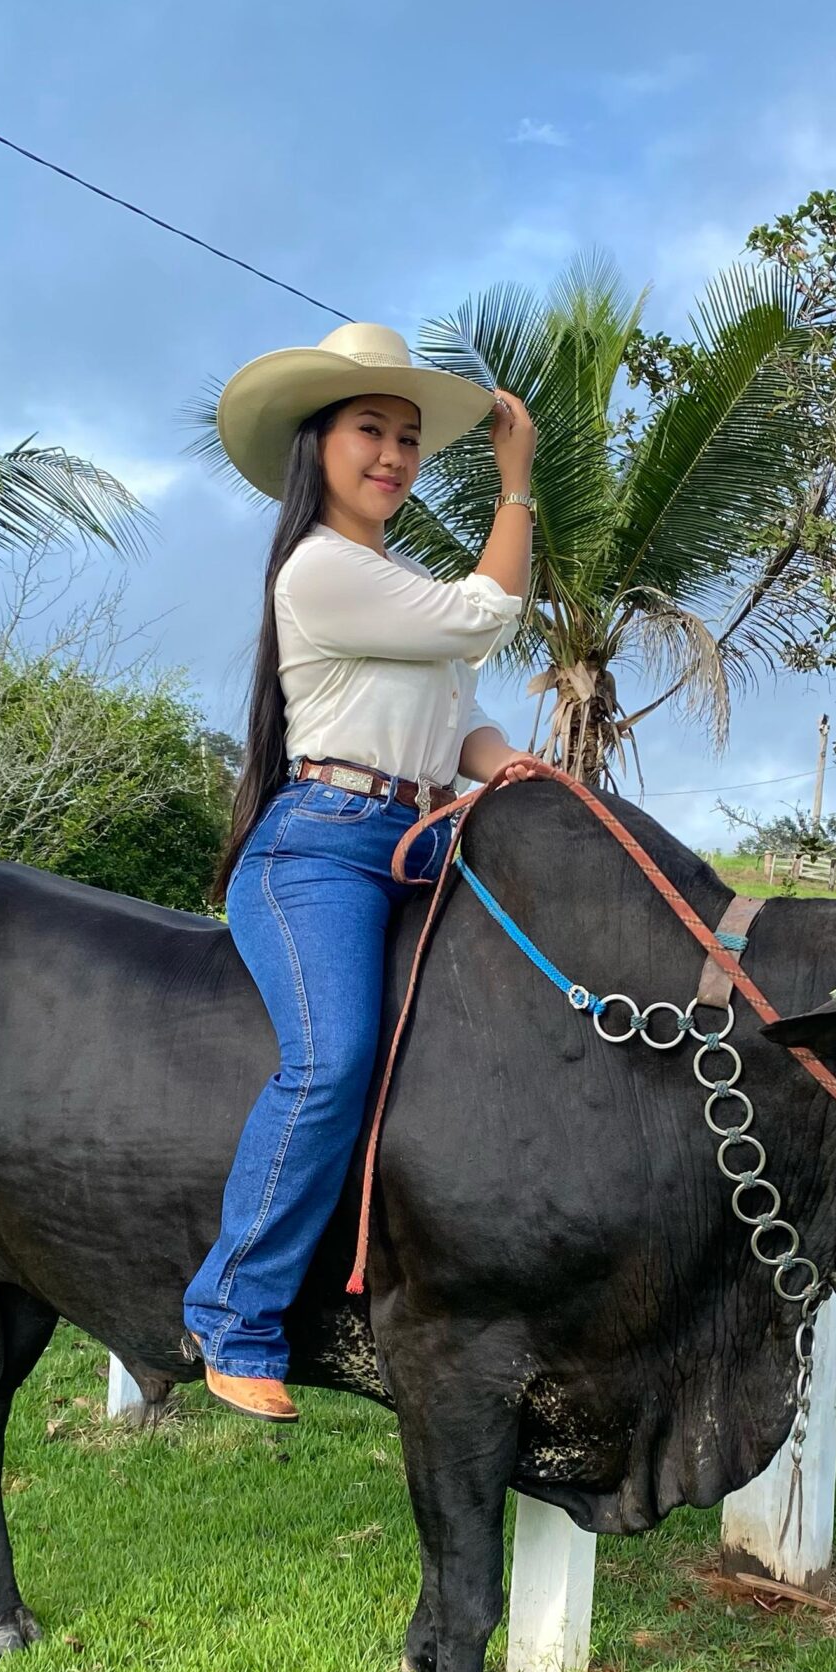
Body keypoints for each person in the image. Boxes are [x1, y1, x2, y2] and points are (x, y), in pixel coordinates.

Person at [181, 320, 539, 1421]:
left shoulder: (391, 579)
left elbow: (457, 713)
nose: (393, 455)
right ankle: (232, 1315)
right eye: (370, 432)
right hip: (322, 848)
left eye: (407, 438)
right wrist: (515, 484)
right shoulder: (321, 568)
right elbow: (486, 617)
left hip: (422, 838)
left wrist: (509, 765)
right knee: (330, 1061)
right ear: (318, 445)